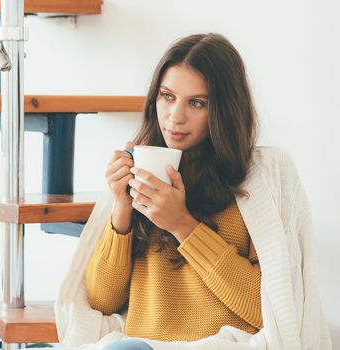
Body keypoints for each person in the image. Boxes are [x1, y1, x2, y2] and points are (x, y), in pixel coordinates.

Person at [84, 33, 331, 350]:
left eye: (197, 103)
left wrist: (182, 225)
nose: (176, 117)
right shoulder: (140, 167)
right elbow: (101, 301)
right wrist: (122, 210)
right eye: (167, 97)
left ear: (224, 109)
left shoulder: (262, 177)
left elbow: (271, 310)